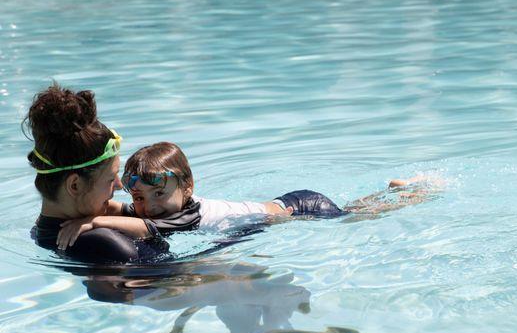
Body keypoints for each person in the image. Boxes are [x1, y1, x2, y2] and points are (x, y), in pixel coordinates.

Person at [56, 141, 438, 250]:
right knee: (355, 209)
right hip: (287, 199)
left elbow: (143, 227)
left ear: (188, 188)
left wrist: (93, 219)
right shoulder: (163, 207)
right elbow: (132, 212)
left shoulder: (185, 215)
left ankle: (414, 194)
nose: (148, 205)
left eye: (159, 195)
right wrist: (103, 204)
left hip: (303, 207)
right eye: (140, 199)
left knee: (359, 217)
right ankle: (390, 189)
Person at [24, 83, 171, 263]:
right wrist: (147, 232)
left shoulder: (39, 231)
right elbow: (172, 282)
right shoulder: (107, 244)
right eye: (111, 178)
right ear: (75, 185)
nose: (119, 185)